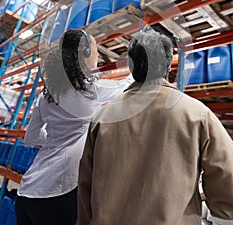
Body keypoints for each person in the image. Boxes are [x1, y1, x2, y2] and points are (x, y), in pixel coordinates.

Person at [78, 29, 233, 225]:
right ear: (168, 66)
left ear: (132, 67)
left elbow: (85, 184)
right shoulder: (197, 113)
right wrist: (224, 215)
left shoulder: (102, 117)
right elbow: (226, 174)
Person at [15, 29, 133, 225]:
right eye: (95, 50)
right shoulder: (91, 90)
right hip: (57, 192)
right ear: (86, 54)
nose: (97, 55)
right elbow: (126, 85)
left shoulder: (46, 97)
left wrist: (54, 137)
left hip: (27, 191)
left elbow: (31, 138)